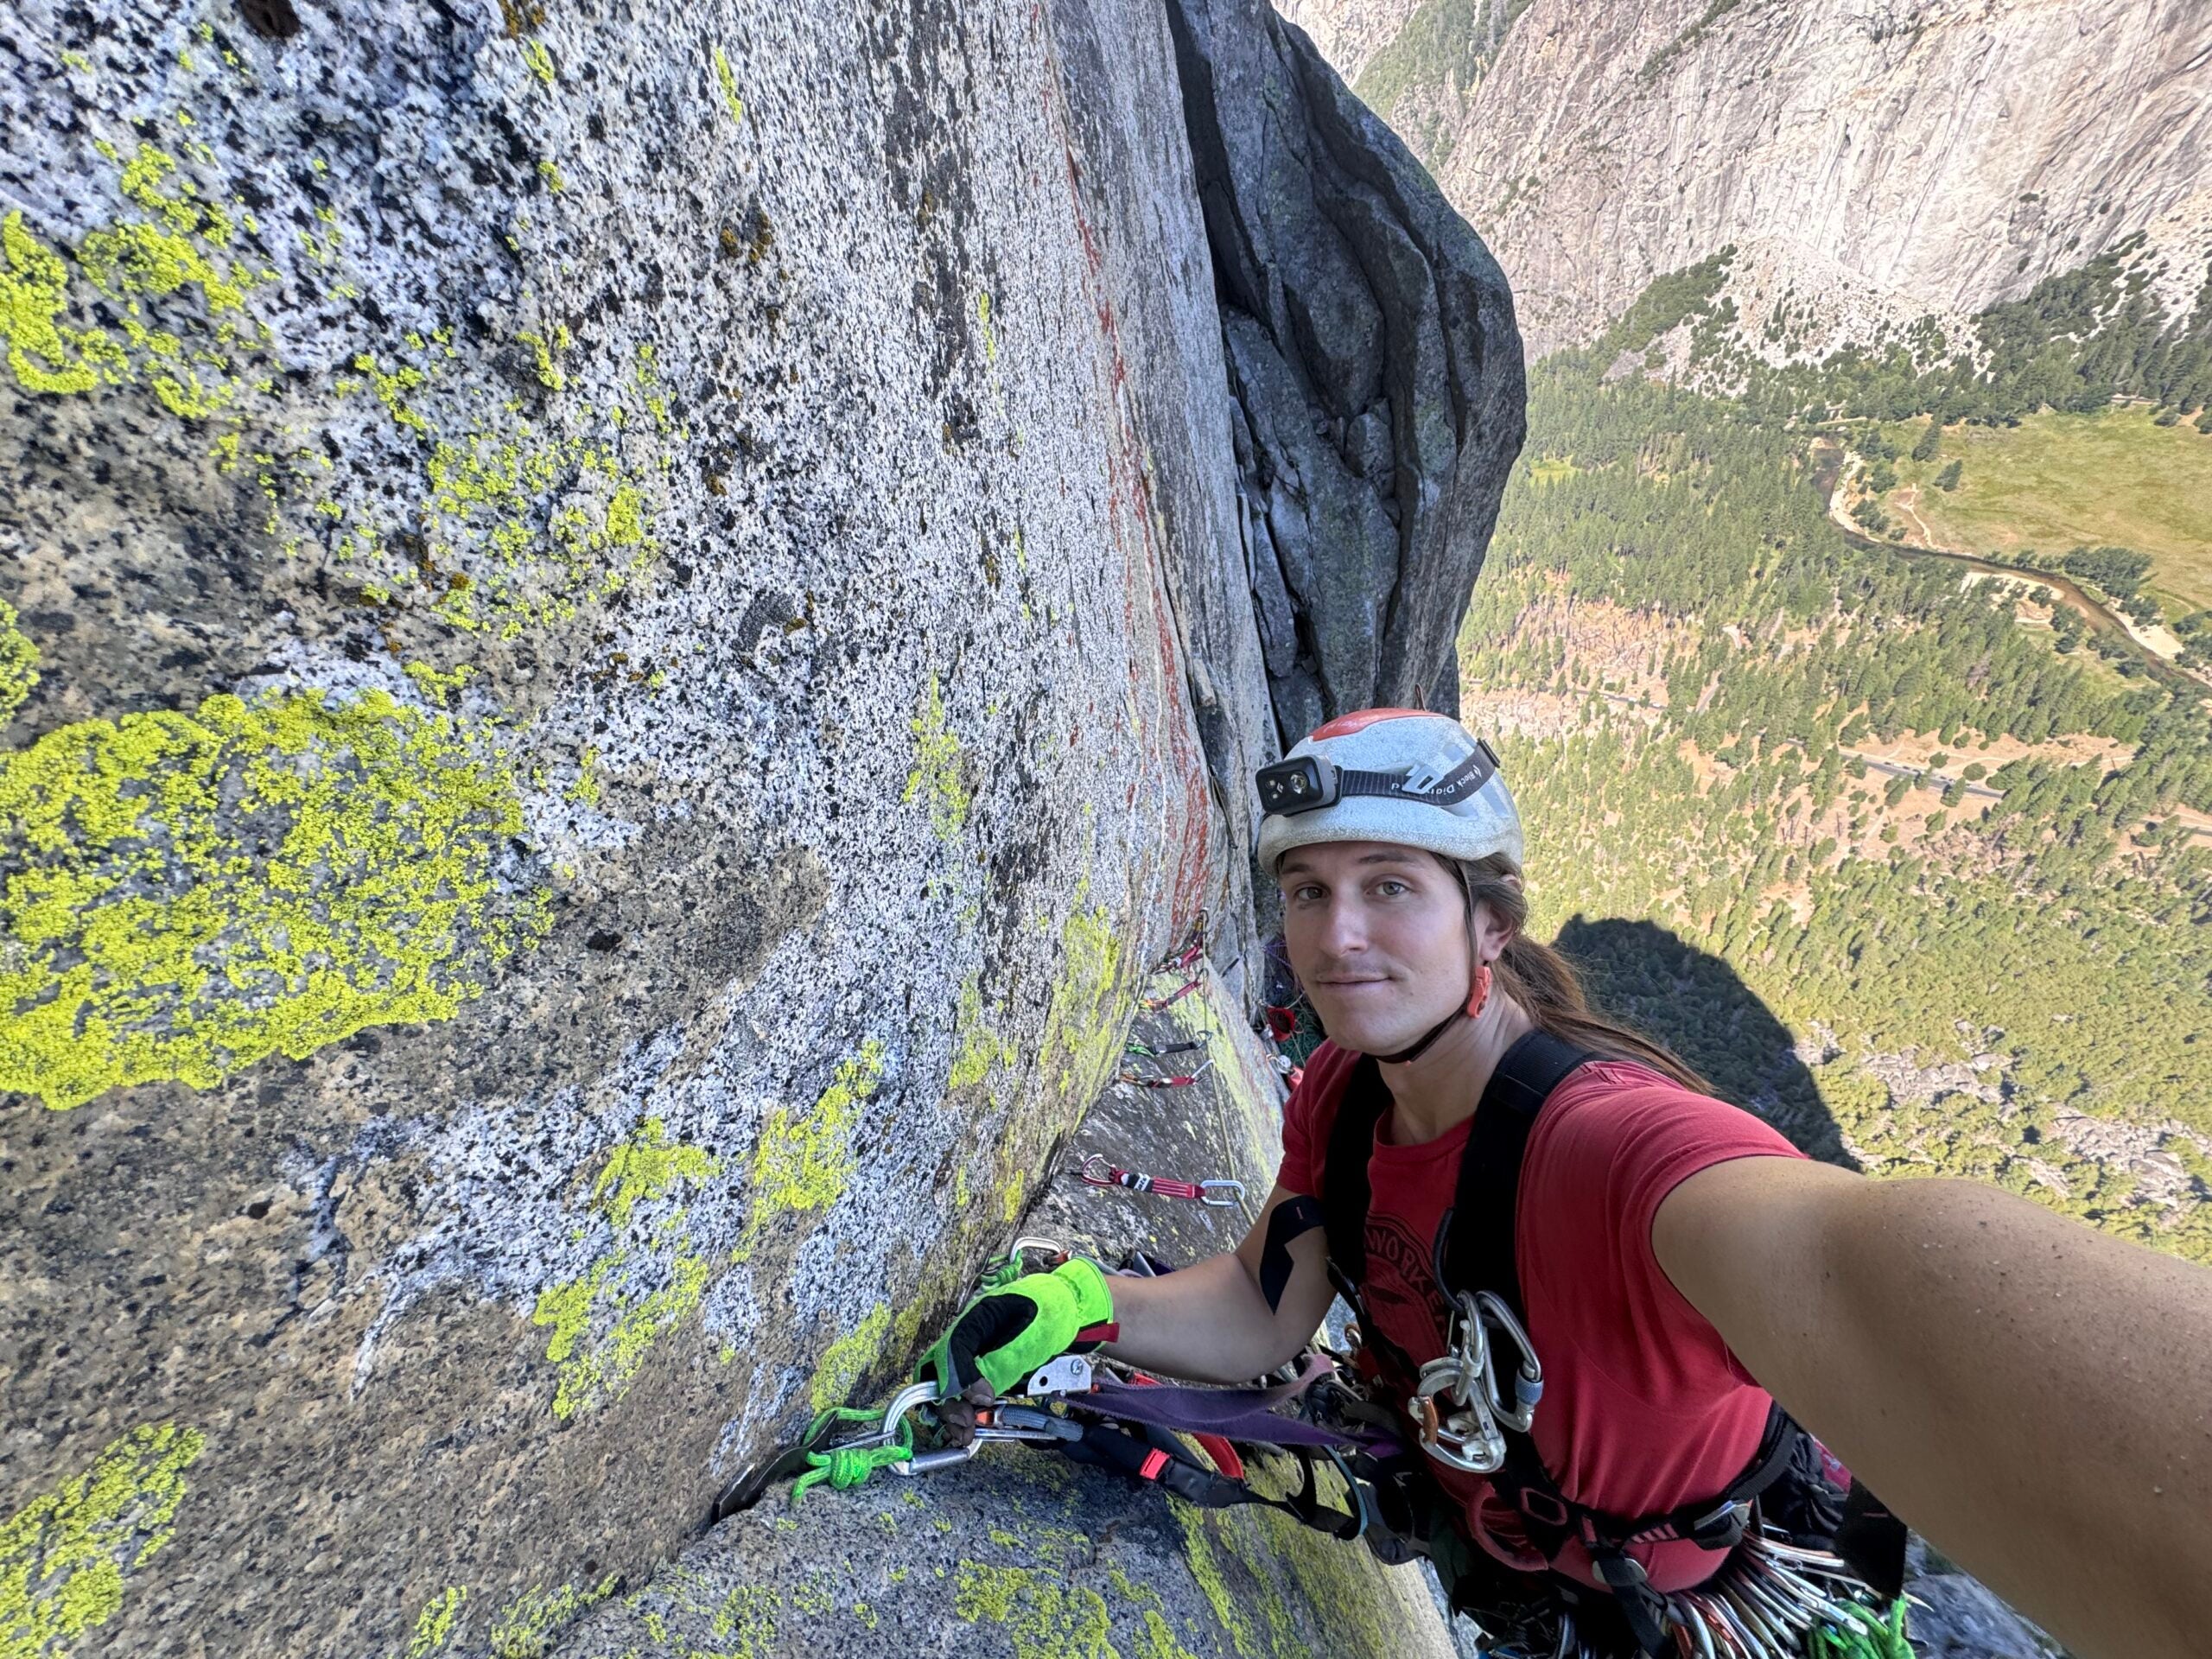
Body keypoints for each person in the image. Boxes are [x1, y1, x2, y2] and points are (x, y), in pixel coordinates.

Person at [925, 709, 2212, 1659]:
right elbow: (1265, 1312)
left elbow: (1863, 1266)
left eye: (1390, 889)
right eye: (1307, 892)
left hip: (1675, 1610)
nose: (1336, 936)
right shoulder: (1344, 1100)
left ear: (1493, 924)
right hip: (1509, 1575)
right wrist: (1091, 1302)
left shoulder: (1621, 1150)